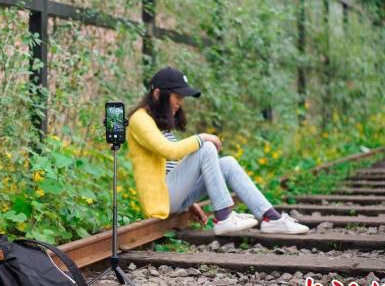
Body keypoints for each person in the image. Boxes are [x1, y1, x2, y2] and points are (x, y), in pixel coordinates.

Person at [126, 66, 309, 235]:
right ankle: (224, 217)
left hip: (172, 196)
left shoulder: (158, 122)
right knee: (205, 147)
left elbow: (171, 168)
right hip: (161, 199)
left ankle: (271, 218)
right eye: (177, 97)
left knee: (227, 163)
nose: (180, 103)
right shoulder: (139, 119)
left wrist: (190, 202)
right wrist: (203, 137)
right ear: (158, 93)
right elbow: (170, 151)